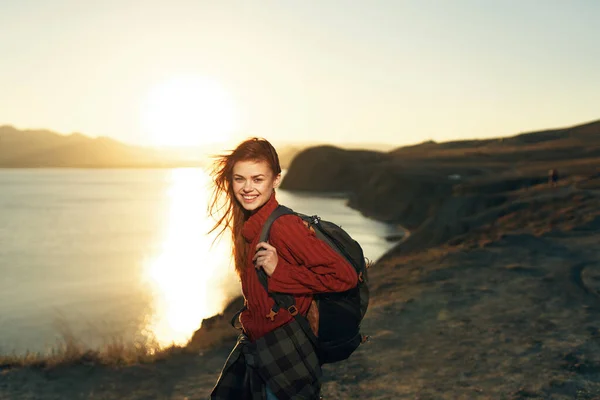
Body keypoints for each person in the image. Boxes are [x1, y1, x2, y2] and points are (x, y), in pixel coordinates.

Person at [208, 138, 357, 400]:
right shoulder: (250, 223)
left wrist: (281, 272)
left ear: (275, 180)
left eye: (258, 179)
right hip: (254, 344)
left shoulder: (284, 225)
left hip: (284, 348)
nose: (247, 188)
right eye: (239, 179)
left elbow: (344, 277)